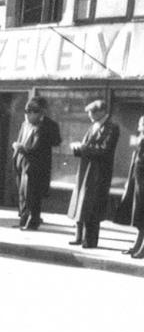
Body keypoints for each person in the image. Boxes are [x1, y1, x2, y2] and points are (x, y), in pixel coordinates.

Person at [67, 99, 120, 249]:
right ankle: (79, 236)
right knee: (81, 202)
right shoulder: (94, 126)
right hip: (86, 169)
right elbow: (89, 146)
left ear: (101, 111)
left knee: (92, 205)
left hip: (98, 172)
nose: (89, 115)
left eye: (92, 112)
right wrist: (78, 148)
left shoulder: (111, 127)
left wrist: (83, 148)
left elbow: (105, 150)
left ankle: (89, 240)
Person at [12, 97, 61, 231]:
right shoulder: (25, 124)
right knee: (22, 193)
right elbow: (20, 139)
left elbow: (55, 142)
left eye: (31, 111)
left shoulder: (48, 125)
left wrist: (23, 148)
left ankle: (33, 221)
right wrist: (17, 150)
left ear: (40, 112)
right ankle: (23, 218)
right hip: (21, 162)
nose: (27, 114)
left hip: (36, 165)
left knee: (32, 194)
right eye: (26, 111)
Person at [115, 115, 144, 258]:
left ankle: (142, 249)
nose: (139, 127)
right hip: (138, 181)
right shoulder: (141, 138)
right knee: (139, 215)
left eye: (142, 124)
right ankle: (137, 245)